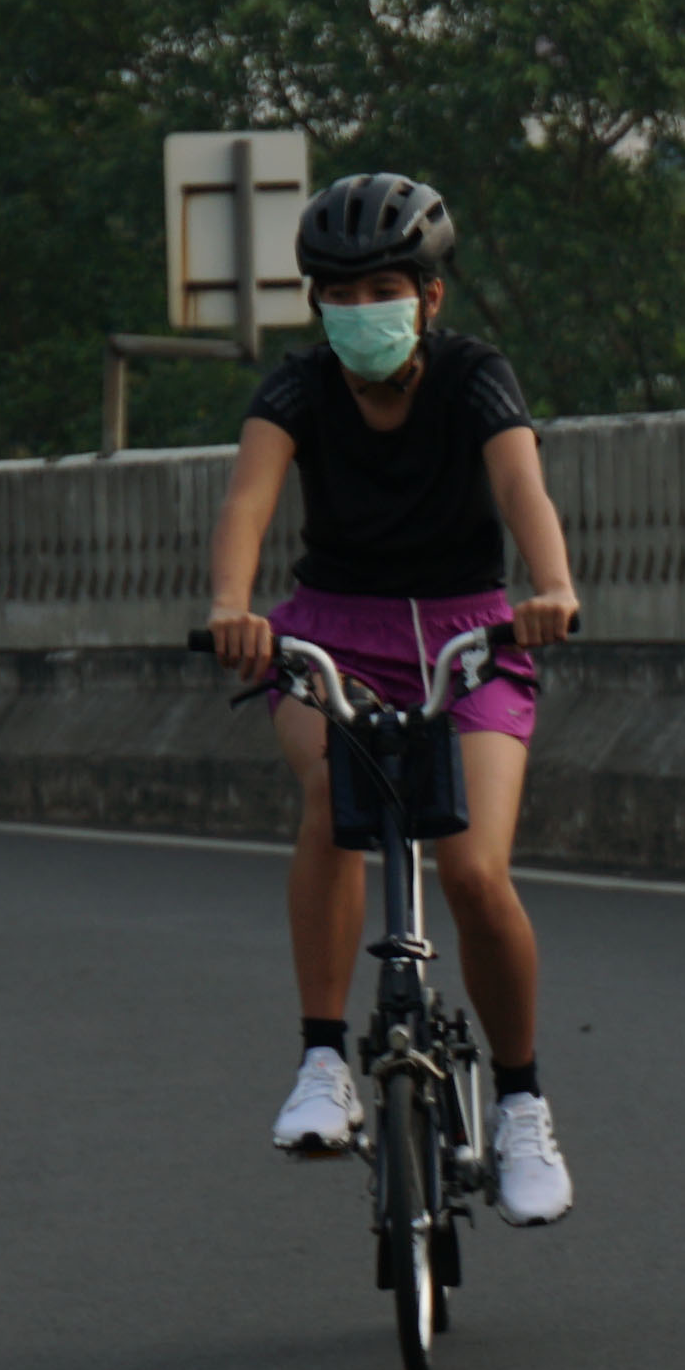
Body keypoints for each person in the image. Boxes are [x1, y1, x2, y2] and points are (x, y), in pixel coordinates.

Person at [204, 173, 583, 1225]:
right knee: (339, 801)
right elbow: (247, 501)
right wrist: (232, 608)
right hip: (332, 631)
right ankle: (323, 1061)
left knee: (473, 868)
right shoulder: (296, 389)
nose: (362, 307)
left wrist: (551, 588)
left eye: (384, 288)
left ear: (429, 296)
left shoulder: (475, 378)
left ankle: (522, 1105)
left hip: (470, 636)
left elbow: (522, 486)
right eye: (340, 292)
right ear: (316, 304)